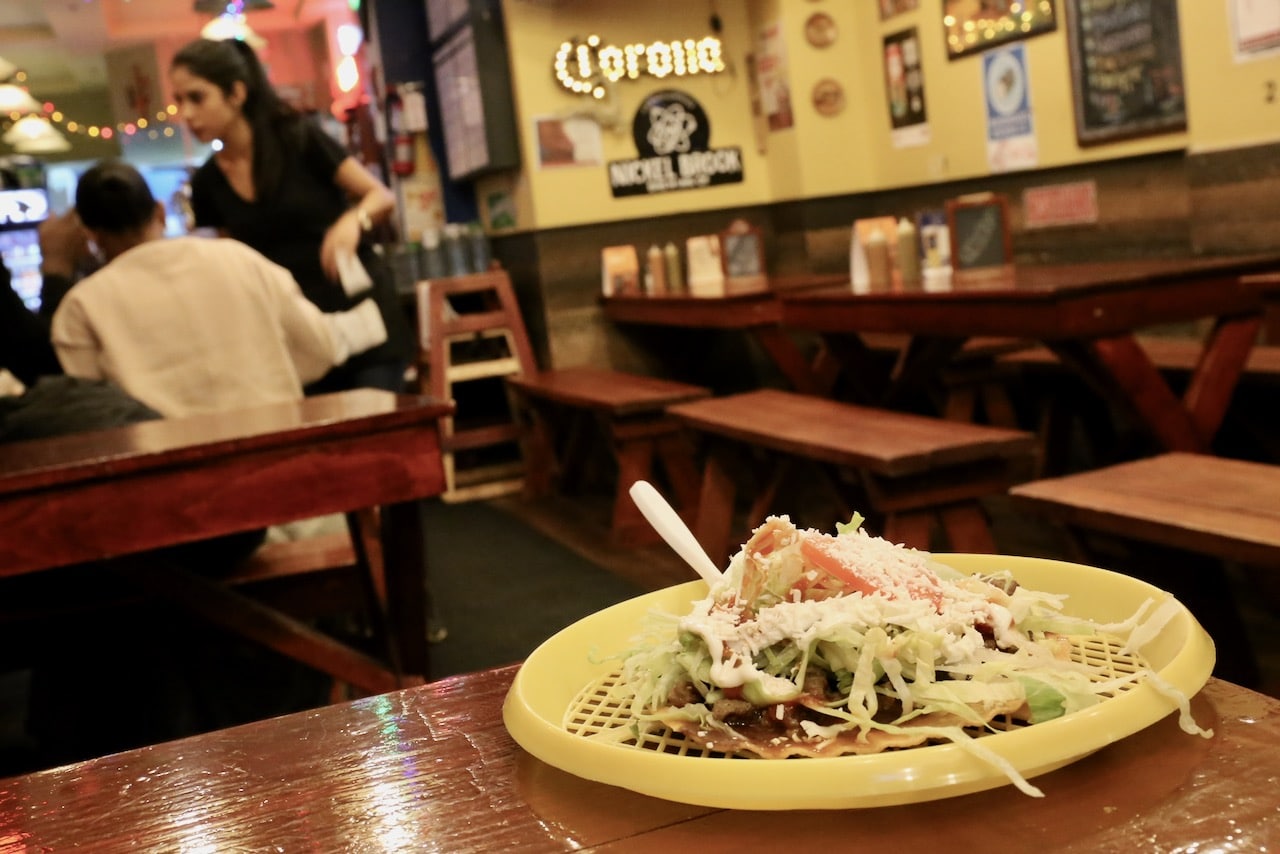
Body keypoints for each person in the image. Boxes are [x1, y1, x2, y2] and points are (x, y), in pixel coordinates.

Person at [48, 159, 388, 420]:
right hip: (285, 475)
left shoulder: (80, 308)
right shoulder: (240, 260)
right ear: (161, 212)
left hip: (172, 498)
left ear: (90, 236)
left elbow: (92, 418)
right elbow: (319, 347)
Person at [169, 37, 412, 395]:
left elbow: (380, 196)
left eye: (197, 97)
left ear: (235, 94)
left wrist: (351, 222)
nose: (186, 114)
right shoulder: (207, 183)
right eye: (179, 101)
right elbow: (226, 261)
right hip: (296, 338)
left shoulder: (298, 139)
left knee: (375, 440)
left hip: (361, 318)